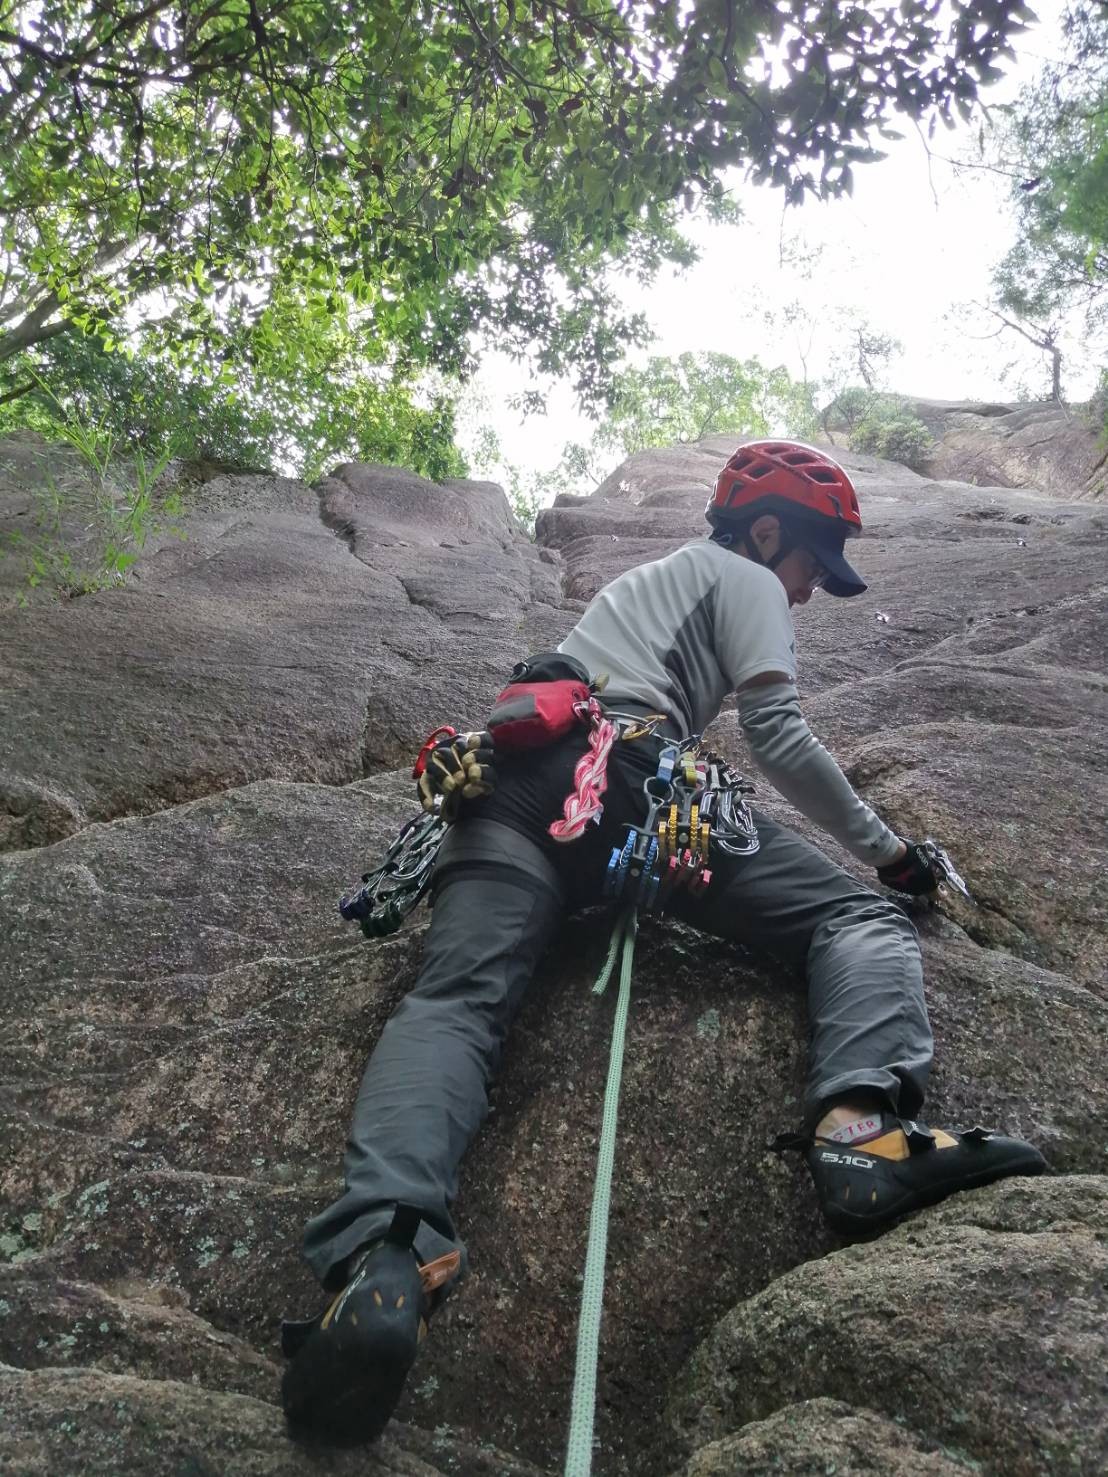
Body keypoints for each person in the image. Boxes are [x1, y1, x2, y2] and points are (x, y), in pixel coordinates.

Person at [280, 440, 1046, 1443]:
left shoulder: (637, 588)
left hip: (503, 790)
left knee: (453, 1002)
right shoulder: (739, 573)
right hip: (630, 783)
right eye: (813, 564)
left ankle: (382, 1258)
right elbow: (775, 731)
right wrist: (891, 855)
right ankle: (860, 1134)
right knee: (857, 916)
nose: (809, 594)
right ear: (769, 532)